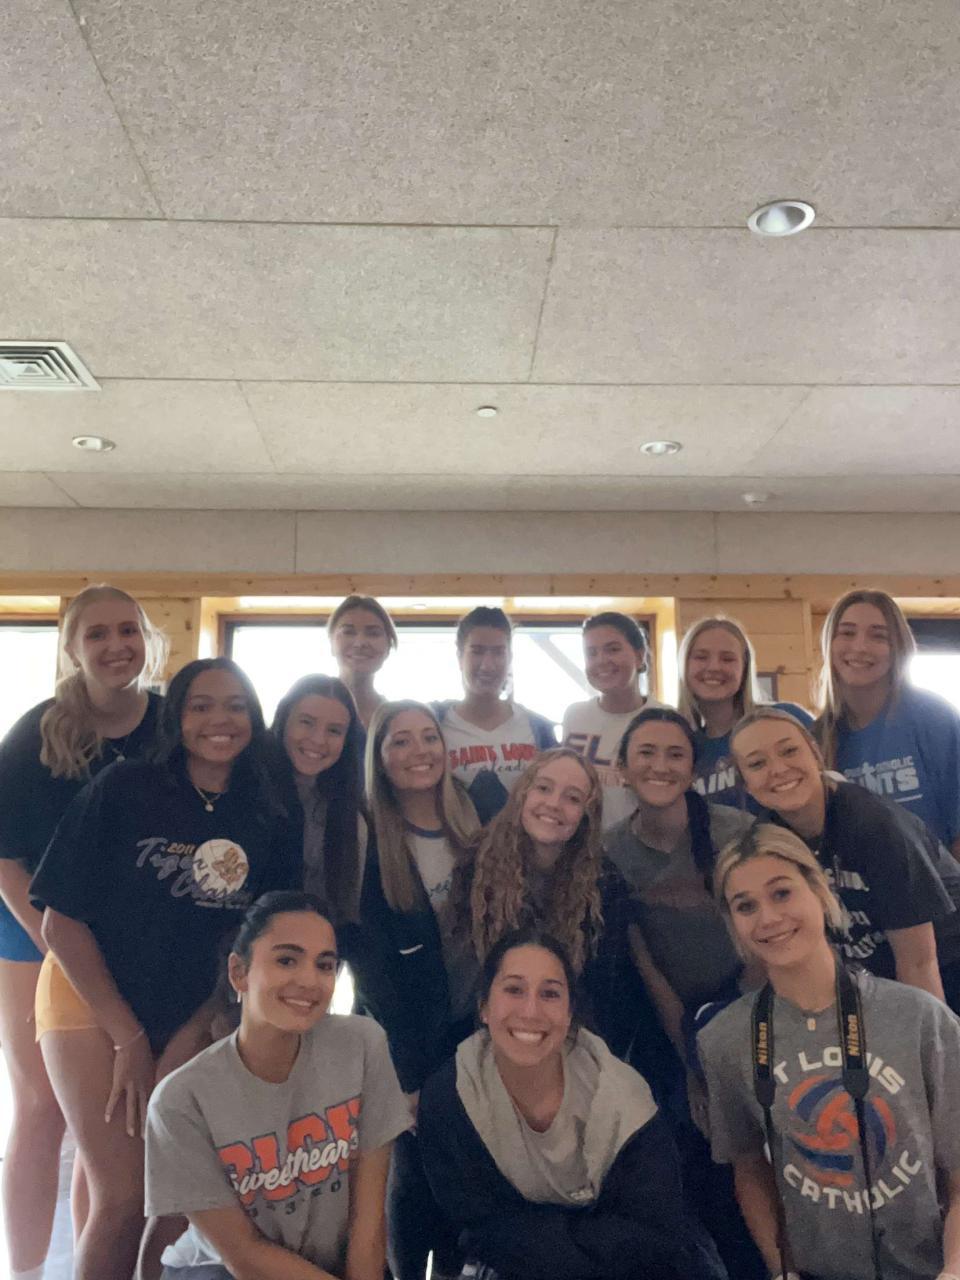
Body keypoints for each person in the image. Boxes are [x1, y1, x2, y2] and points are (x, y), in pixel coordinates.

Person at [30, 657, 302, 1280]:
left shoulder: (269, 809)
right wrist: (127, 1038)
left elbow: (257, 941)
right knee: (124, 1196)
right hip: (89, 998)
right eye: (200, 705)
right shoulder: (126, 786)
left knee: (183, 1200)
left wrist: (196, 1029)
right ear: (176, 716)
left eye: (235, 705)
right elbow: (59, 923)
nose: (218, 720)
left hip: (194, 1010)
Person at [699, 823, 960, 1280]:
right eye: (746, 906)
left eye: (782, 893)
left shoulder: (919, 1018)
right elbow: (748, 1168)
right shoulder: (724, 1039)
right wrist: (781, 1269)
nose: (768, 918)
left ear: (819, 890)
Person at [0, 583, 166, 1280]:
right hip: (32, 928)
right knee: (44, 1106)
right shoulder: (36, 733)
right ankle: (25, 1270)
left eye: (128, 630)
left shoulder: (170, 723)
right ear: (72, 648)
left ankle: (90, 1262)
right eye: (97, 633)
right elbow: (5, 861)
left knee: (107, 1121)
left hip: (131, 935)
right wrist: (59, 950)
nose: (115, 645)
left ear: (148, 641)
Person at [145, 890, 411, 1280]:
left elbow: (368, 1220)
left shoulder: (363, 1044)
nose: (309, 980)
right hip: (222, 1271)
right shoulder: (180, 1100)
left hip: (331, 1265)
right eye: (287, 960)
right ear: (239, 973)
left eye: (325, 965)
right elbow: (243, 1255)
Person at [418, 928, 690, 1280]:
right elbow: (476, 1226)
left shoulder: (624, 1101)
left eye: (549, 994)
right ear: (484, 1007)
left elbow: (652, 1234)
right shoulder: (450, 1097)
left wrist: (535, 1238)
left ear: (569, 1013)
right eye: (514, 990)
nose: (531, 1011)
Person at [605, 707, 764, 1280]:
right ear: (622, 767)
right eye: (645, 753)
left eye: (675, 754)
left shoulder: (735, 833)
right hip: (676, 1023)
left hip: (752, 1008)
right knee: (694, 1155)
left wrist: (735, 1044)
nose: (660, 766)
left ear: (694, 769)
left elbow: (764, 942)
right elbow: (645, 962)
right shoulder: (612, 851)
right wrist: (693, 1059)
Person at [461, 748, 671, 1091]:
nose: (554, 804)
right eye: (543, 788)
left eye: (572, 798)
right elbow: (468, 975)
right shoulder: (477, 864)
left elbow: (608, 992)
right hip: (490, 1036)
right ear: (523, 794)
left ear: (586, 814)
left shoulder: (605, 884)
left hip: (573, 1044)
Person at [358, 699, 481, 1280]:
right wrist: (404, 1075)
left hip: (474, 1027)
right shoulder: (368, 836)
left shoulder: (476, 811)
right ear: (379, 758)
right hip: (403, 1035)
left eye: (428, 737)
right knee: (409, 1176)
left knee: (464, 1175)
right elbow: (372, 971)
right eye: (400, 741)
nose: (418, 752)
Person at [730, 706, 952, 998]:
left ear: (816, 754)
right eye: (757, 764)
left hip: (944, 966)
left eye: (789, 751)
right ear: (746, 785)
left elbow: (919, 963)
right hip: (872, 979)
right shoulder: (767, 843)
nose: (779, 769)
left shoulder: (876, 827)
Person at [817, 588, 960, 859]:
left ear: (898, 648)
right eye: (847, 633)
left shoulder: (934, 718)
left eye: (878, 636)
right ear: (829, 644)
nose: (860, 647)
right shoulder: (817, 736)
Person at [434, 606, 557, 824]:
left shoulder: (539, 730)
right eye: (477, 651)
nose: (488, 665)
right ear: (460, 656)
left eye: (498, 652)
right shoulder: (434, 725)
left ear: (510, 657)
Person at [677, 616, 812, 809]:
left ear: (744, 667)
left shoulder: (784, 719)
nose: (714, 667)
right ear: (684, 665)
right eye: (701, 657)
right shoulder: (683, 747)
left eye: (727, 659)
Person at [272, 673, 368, 929]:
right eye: (306, 723)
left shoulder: (350, 817)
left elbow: (345, 912)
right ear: (284, 720)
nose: (318, 740)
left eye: (334, 731)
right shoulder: (247, 791)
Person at [562, 612, 666, 830]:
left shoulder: (665, 718)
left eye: (613, 649)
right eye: (591, 653)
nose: (601, 660)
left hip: (644, 841)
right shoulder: (574, 716)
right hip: (582, 842)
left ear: (639, 656)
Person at [328, 595, 398, 730]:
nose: (360, 643)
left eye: (373, 633)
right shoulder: (307, 708)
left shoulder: (394, 719)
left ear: (388, 646)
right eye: (348, 632)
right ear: (331, 642)